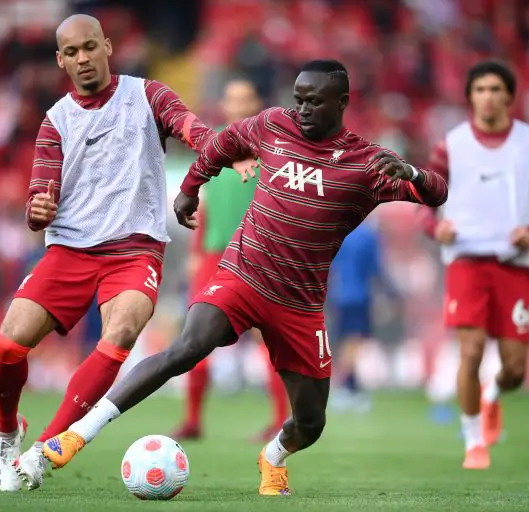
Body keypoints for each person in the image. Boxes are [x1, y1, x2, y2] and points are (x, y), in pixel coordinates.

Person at [42, 59, 447, 496]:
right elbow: (223, 145)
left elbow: (437, 191)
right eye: (300, 100)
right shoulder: (274, 125)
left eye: (315, 101)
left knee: (310, 423)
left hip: (300, 304)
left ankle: (273, 455)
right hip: (242, 275)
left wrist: (415, 175)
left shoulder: (367, 164)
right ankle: (79, 432)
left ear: (342, 102)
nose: (304, 109)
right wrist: (189, 189)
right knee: (187, 347)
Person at [0, 14, 253, 492]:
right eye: (71, 53)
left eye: (90, 47)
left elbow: (191, 127)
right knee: (8, 345)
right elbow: (37, 198)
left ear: (107, 46)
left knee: (123, 329)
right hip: (69, 249)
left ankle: (43, 451)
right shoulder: (56, 121)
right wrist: (39, 209)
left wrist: (224, 150)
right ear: (60, 60)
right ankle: (9, 431)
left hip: (134, 250)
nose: (83, 58)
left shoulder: (148, 95)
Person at [423, 60, 529, 469]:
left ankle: (494, 394)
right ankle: (473, 441)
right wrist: (436, 227)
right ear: (470, 96)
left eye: (495, 88)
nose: (487, 96)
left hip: (513, 265)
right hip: (465, 262)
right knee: (471, 352)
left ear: (509, 97)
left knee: (516, 369)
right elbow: (422, 201)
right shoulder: (451, 144)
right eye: (480, 88)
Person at [171, 78, 289, 442]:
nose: (238, 105)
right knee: (196, 337)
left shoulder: (274, 149)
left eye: (246, 99)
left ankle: (282, 420)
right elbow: (205, 202)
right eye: (232, 99)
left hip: (259, 254)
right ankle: (192, 420)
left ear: (257, 103)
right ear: (224, 104)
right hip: (212, 255)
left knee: (271, 341)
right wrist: (194, 253)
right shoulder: (215, 145)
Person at [326, 218, 400, 413]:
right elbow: (376, 268)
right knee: (354, 341)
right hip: (358, 295)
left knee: (345, 341)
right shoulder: (367, 235)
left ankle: (352, 387)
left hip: (337, 294)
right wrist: (392, 293)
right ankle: (343, 387)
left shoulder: (338, 230)